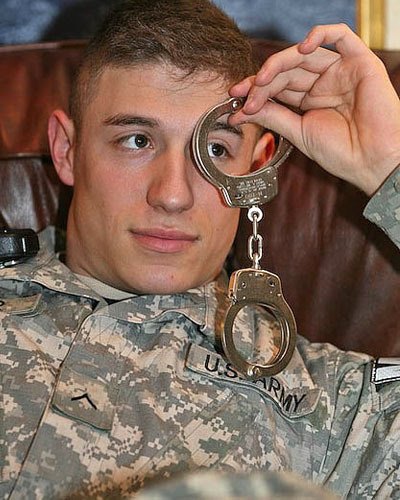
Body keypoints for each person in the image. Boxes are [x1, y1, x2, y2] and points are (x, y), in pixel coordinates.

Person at [0, 1, 399, 498]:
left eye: (214, 150)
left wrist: (388, 166)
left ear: (256, 167)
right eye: (136, 140)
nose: (172, 195)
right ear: (67, 151)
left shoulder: (329, 408)